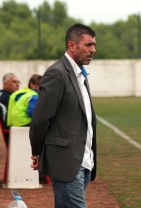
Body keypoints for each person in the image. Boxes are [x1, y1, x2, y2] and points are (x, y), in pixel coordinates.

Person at [29, 23, 97, 208]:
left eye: (94, 45)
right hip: (66, 162)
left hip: (83, 161)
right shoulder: (57, 73)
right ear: (71, 45)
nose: (93, 50)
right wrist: (37, 151)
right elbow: (40, 119)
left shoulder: (81, 74)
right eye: (88, 45)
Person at [0, 73, 20, 146]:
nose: (18, 84)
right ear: (5, 84)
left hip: (13, 131)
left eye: (18, 82)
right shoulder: (7, 98)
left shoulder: (5, 95)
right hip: (12, 134)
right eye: (14, 82)